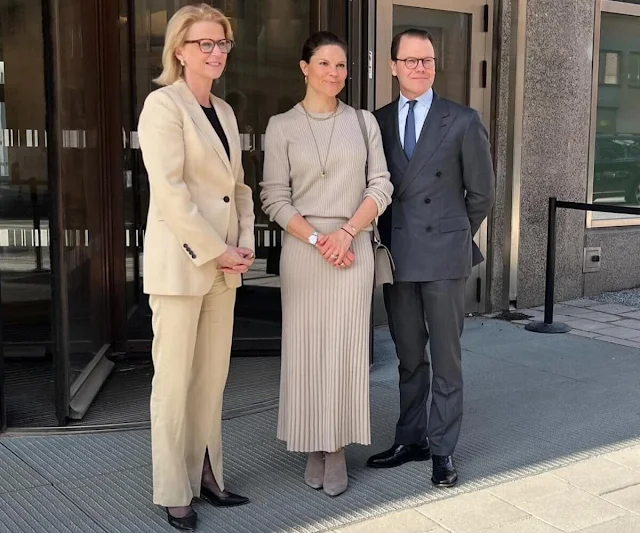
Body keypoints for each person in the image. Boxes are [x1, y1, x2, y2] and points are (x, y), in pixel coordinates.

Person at [260, 31, 393, 497]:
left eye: (341, 65)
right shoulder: (280, 126)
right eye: (324, 64)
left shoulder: (362, 123)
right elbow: (273, 198)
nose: (334, 73)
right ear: (304, 67)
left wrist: (346, 234)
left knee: (344, 351)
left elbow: (381, 186)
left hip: (351, 247)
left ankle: (334, 447)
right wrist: (318, 238)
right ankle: (313, 442)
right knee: (306, 351)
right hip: (305, 249)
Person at [137, 4, 255, 530]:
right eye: (205, 44)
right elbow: (170, 193)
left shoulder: (226, 112)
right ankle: (173, 488)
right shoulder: (163, 106)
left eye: (222, 44)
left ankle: (208, 474)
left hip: (224, 267)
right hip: (183, 266)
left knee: (211, 380)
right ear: (180, 51)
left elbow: (239, 189)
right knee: (174, 382)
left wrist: (245, 245)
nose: (215, 53)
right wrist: (216, 250)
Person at [366, 29, 495, 488]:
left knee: (446, 358)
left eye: (428, 60)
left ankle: (443, 450)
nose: (420, 67)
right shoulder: (376, 122)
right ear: (394, 66)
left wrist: (451, 235)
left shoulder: (461, 119)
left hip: (443, 257)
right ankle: (411, 438)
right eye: (411, 60)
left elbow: (481, 194)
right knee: (408, 357)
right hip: (398, 257)